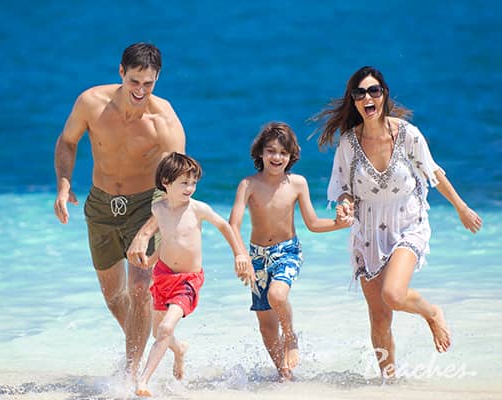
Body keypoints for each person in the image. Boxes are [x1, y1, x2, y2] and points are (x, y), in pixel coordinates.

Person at [312, 66, 482, 379]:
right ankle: (389, 382)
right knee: (379, 317)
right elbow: (343, 190)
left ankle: (432, 312)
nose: (367, 97)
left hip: (408, 222)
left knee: (393, 294)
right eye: (360, 93)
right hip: (367, 233)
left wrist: (461, 207)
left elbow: (434, 172)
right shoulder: (349, 143)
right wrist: (345, 208)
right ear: (354, 101)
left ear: (384, 94)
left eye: (373, 90)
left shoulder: (406, 134)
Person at [53, 43, 185, 377]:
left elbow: (177, 189)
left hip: (147, 206)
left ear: (157, 79)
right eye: (135, 81)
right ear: (121, 72)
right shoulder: (91, 103)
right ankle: (159, 342)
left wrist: (145, 234)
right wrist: (64, 184)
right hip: (100, 205)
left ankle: (131, 376)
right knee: (114, 296)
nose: (141, 91)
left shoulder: (164, 121)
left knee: (140, 289)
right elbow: (67, 141)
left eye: (149, 84)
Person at [229, 122, 352, 380]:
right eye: (271, 151)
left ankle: (291, 335)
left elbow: (313, 223)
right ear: (260, 153)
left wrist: (338, 224)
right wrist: (241, 256)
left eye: (283, 153)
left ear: (291, 156)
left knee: (277, 294)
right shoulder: (248, 184)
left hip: (287, 251)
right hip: (256, 257)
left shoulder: (297, 183)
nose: (277, 157)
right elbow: (234, 225)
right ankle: (283, 373)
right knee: (265, 324)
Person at [133, 152, 249, 397]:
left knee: (165, 328)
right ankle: (179, 350)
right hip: (162, 275)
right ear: (166, 182)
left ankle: (143, 381)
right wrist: (151, 258)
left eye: (193, 182)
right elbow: (166, 235)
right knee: (160, 333)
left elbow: (225, 226)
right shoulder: (158, 208)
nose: (190, 188)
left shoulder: (198, 209)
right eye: (184, 183)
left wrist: (239, 254)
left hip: (188, 280)